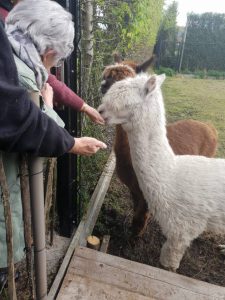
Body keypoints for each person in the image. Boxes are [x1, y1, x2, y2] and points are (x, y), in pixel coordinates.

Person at [0, 0, 107, 292]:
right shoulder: (22, 75)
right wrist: (54, 117)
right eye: (54, 62)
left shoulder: (11, 48)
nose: (51, 69)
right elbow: (31, 126)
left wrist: (81, 107)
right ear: (48, 53)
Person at [0, 0, 105, 125]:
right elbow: (41, 140)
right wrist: (47, 105)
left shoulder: (16, 40)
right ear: (47, 54)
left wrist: (84, 106)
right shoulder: (23, 79)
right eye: (56, 61)